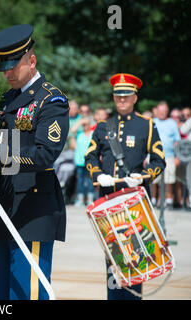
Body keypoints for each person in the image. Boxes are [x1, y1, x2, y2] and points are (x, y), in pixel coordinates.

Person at [0, 24, 69, 300]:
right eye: (3, 66)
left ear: (31, 61)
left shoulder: (50, 99)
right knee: (3, 295)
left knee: (28, 292)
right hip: (5, 203)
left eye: (13, 66)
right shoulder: (7, 99)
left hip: (33, 208)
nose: (7, 73)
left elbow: (45, 153)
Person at [85, 73, 166, 300]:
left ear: (134, 97)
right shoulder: (102, 127)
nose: (122, 99)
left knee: (136, 255)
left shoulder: (147, 126)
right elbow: (90, 156)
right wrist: (98, 175)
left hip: (134, 201)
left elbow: (159, 160)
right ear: (113, 97)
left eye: (126, 95)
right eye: (118, 96)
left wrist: (143, 176)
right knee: (112, 259)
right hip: (109, 201)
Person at [151, 101, 181, 209]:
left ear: (167, 112)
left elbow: (177, 141)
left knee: (169, 179)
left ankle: (168, 200)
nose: (162, 113)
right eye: (160, 111)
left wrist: (177, 156)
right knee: (154, 179)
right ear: (156, 111)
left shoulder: (172, 123)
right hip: (154, 156)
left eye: (164, 111)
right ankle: (154, 199)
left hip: (169, 156)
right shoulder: (152, 122)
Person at [73, 116, 94, 206]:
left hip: (90, 161)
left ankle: (90, 199)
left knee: (90, 181)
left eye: (87, 124)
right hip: (79, 161)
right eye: (84, 125)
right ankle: (81, 199)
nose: (85, 126)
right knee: (80, 181)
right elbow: (72, 130)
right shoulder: (79, 134)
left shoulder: (93, 133)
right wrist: (81, 121)